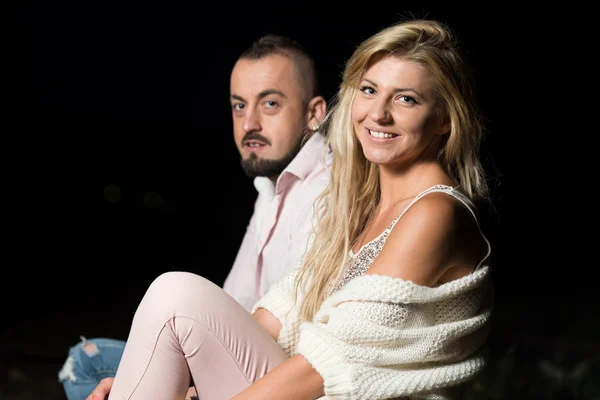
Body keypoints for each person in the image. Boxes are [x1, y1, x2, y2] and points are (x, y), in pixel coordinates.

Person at [89, 18, 495, 400]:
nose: (379, 113)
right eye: (369, 90)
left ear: (444, 118)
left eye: (406, 98)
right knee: (164, 312)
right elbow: (280, 314)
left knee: (174, 293)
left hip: (331, 390)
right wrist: (155, 376)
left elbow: (329, 363)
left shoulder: (435, 212)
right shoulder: (359, 207)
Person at [58, 34, 329, 400]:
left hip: (280, 377)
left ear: (314, 114)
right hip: (241, 350)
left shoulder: (326, 190)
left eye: (269, 103)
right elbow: (235, 302)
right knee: (86, 361)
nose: (249, 123)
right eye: (238, 106)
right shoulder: (270, 189)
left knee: (173, 300)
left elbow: (300, 338)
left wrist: (193, 383)